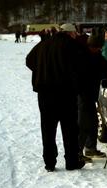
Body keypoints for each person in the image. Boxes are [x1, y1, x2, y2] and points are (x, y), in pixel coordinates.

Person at [26, 23, 86, 172]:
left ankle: (49, 163)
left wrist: (42, 70)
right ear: (71, 33)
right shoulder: (73, 46)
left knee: (47, 129)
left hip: (45, 94)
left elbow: (29, 61)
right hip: (66, 94)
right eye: (75, 34)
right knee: (70, 129)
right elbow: (81, 67)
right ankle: (72, 161)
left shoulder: (44, 44)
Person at [78, 35, 107, 159]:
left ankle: (90, 148)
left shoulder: (95, 55)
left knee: (93, 122)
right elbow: (99, 69)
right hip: (83, 95)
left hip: (91, 95)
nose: (100, 50)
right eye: (98, 48)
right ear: (91, 46)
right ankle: (78, 152)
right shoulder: (83, 56)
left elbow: (106, 65)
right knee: (83, 124)